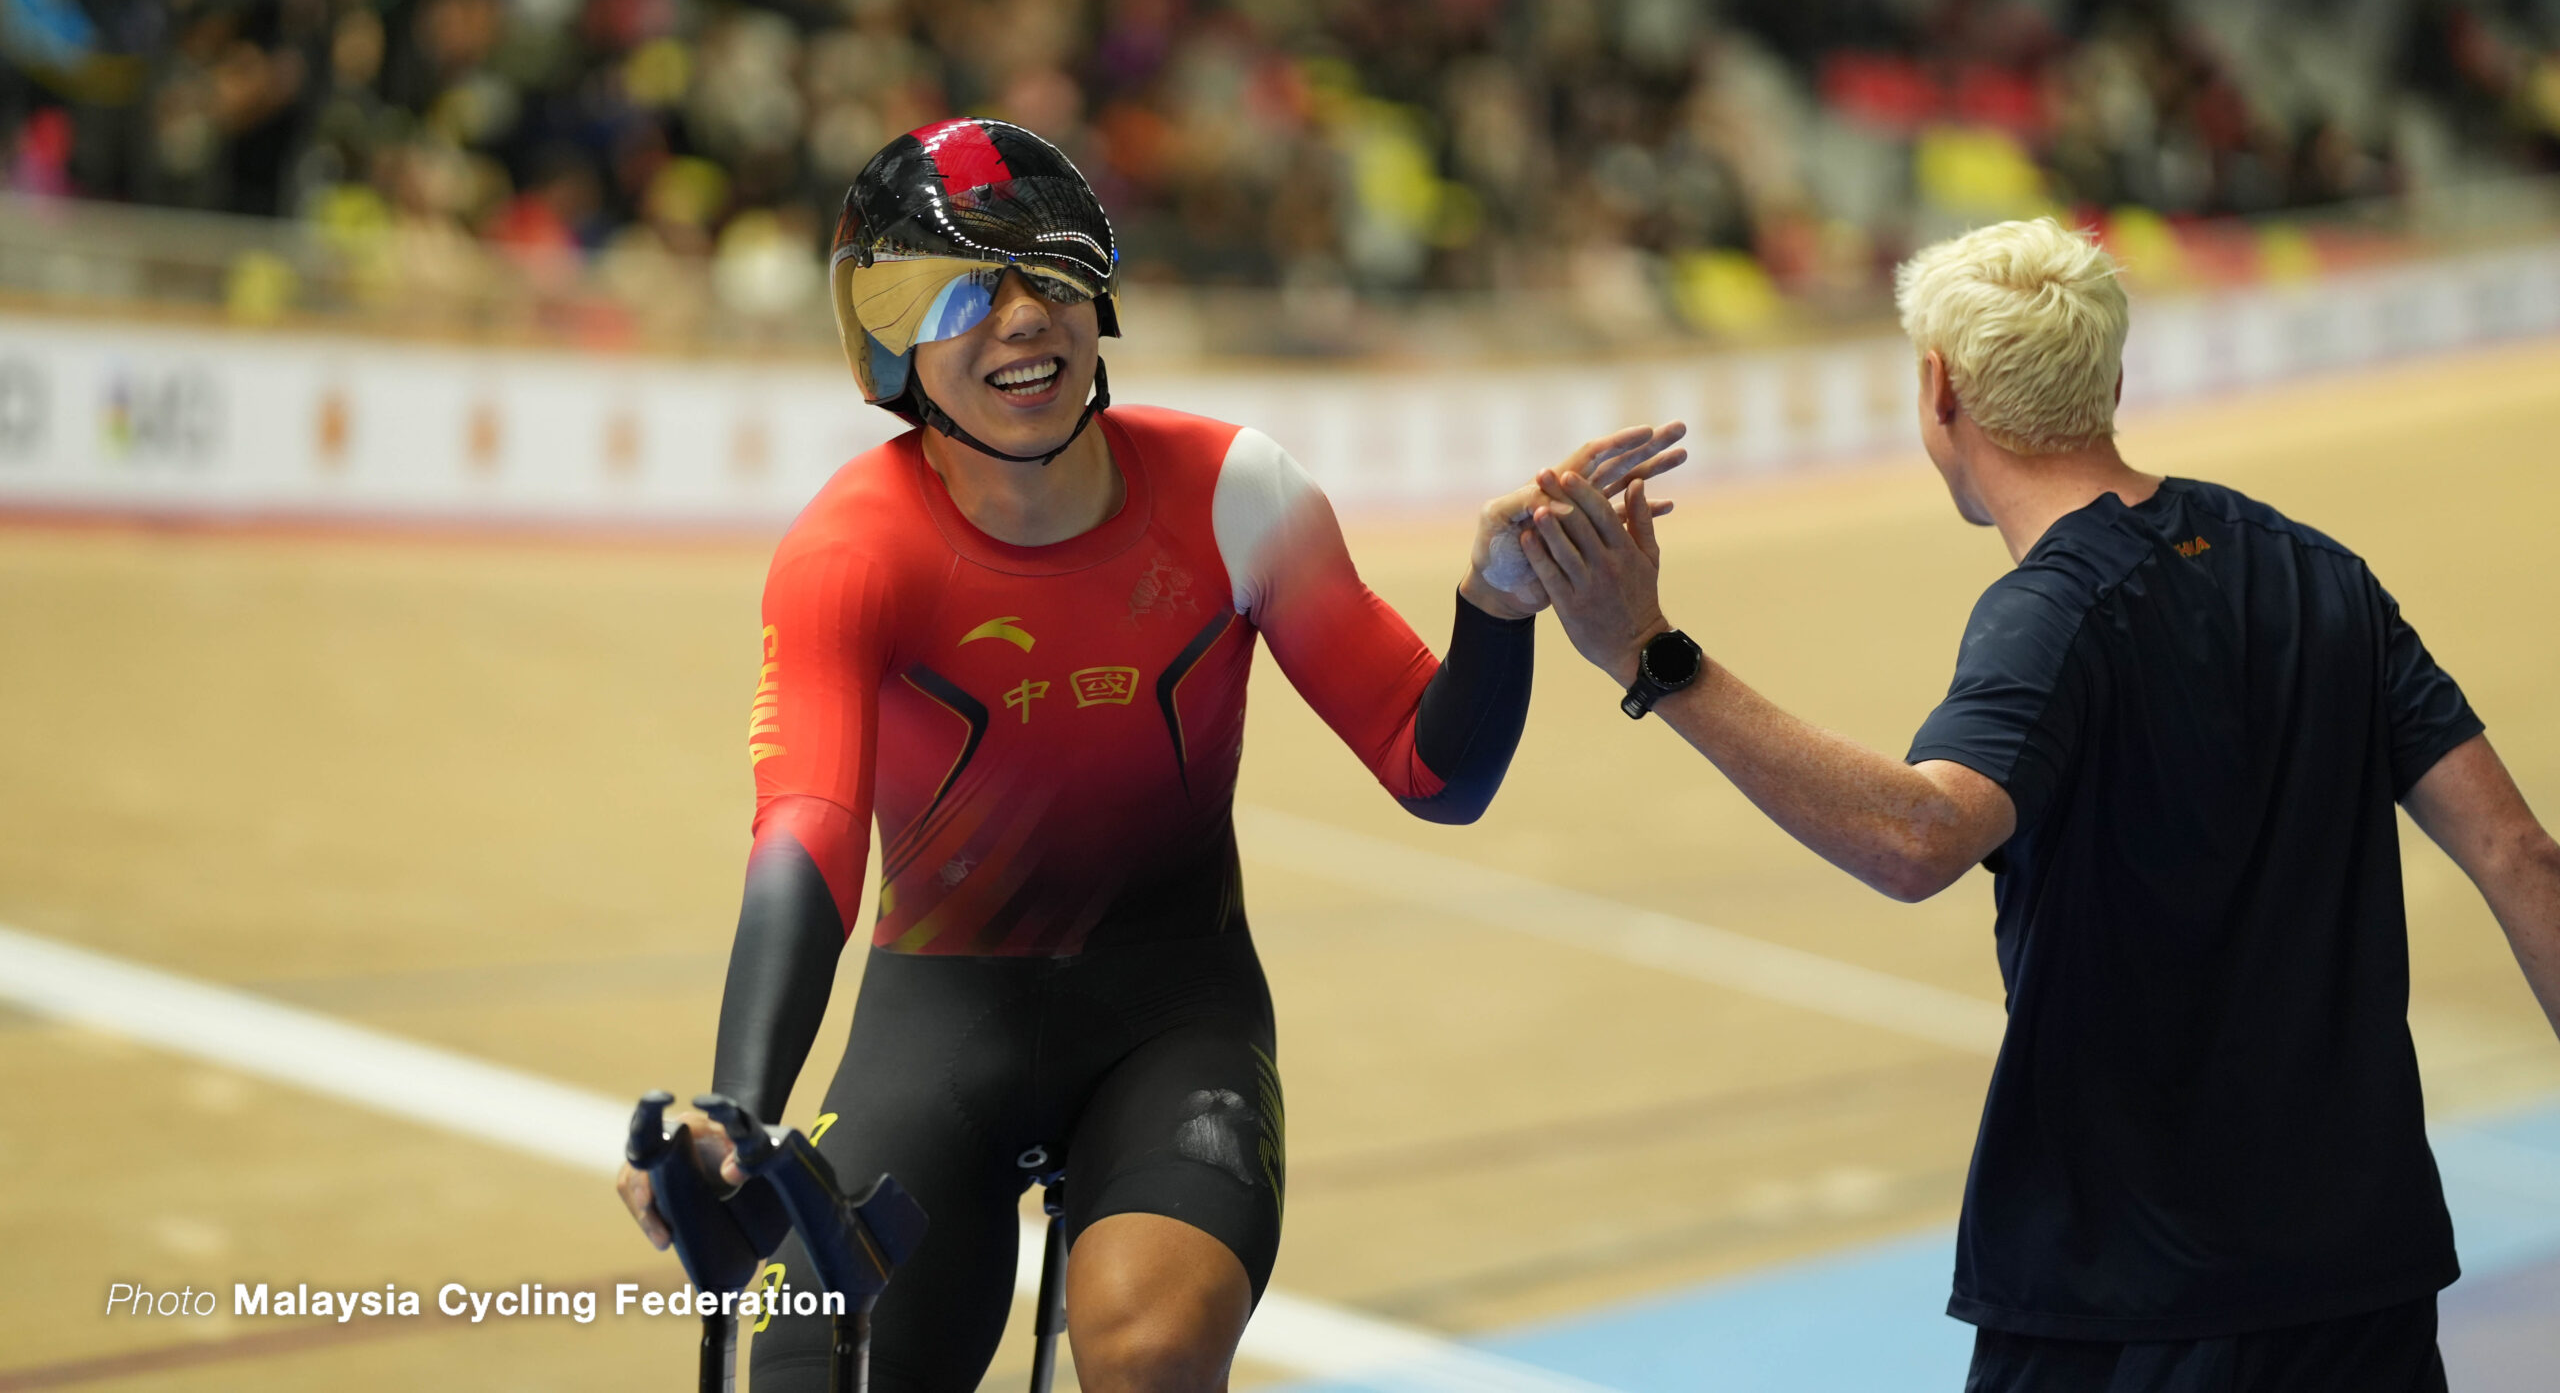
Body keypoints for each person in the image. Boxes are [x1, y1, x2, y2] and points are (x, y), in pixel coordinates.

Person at [614, 116, 1685, 1393]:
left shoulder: (1238, 495)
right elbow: (807, 831)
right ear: (886, 343)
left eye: (1054, 275)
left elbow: (1435, 775)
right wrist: (738, 1105)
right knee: (810, 1374)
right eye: (963, 289)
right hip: (936, 1031)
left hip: (1173, 1022)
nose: (1023, 320)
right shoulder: (850, 550)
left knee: (1151, 1349)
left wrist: (1495, 610)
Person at [1512, 216, 2560, 1392]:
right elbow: (2521, 857)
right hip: (2363, 1284)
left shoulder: (2053, 609)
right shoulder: (2321, 573)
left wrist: (1651, 656)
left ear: (1938, 388)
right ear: (2110, 379)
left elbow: (1918, 837)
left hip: (2128, 1300)